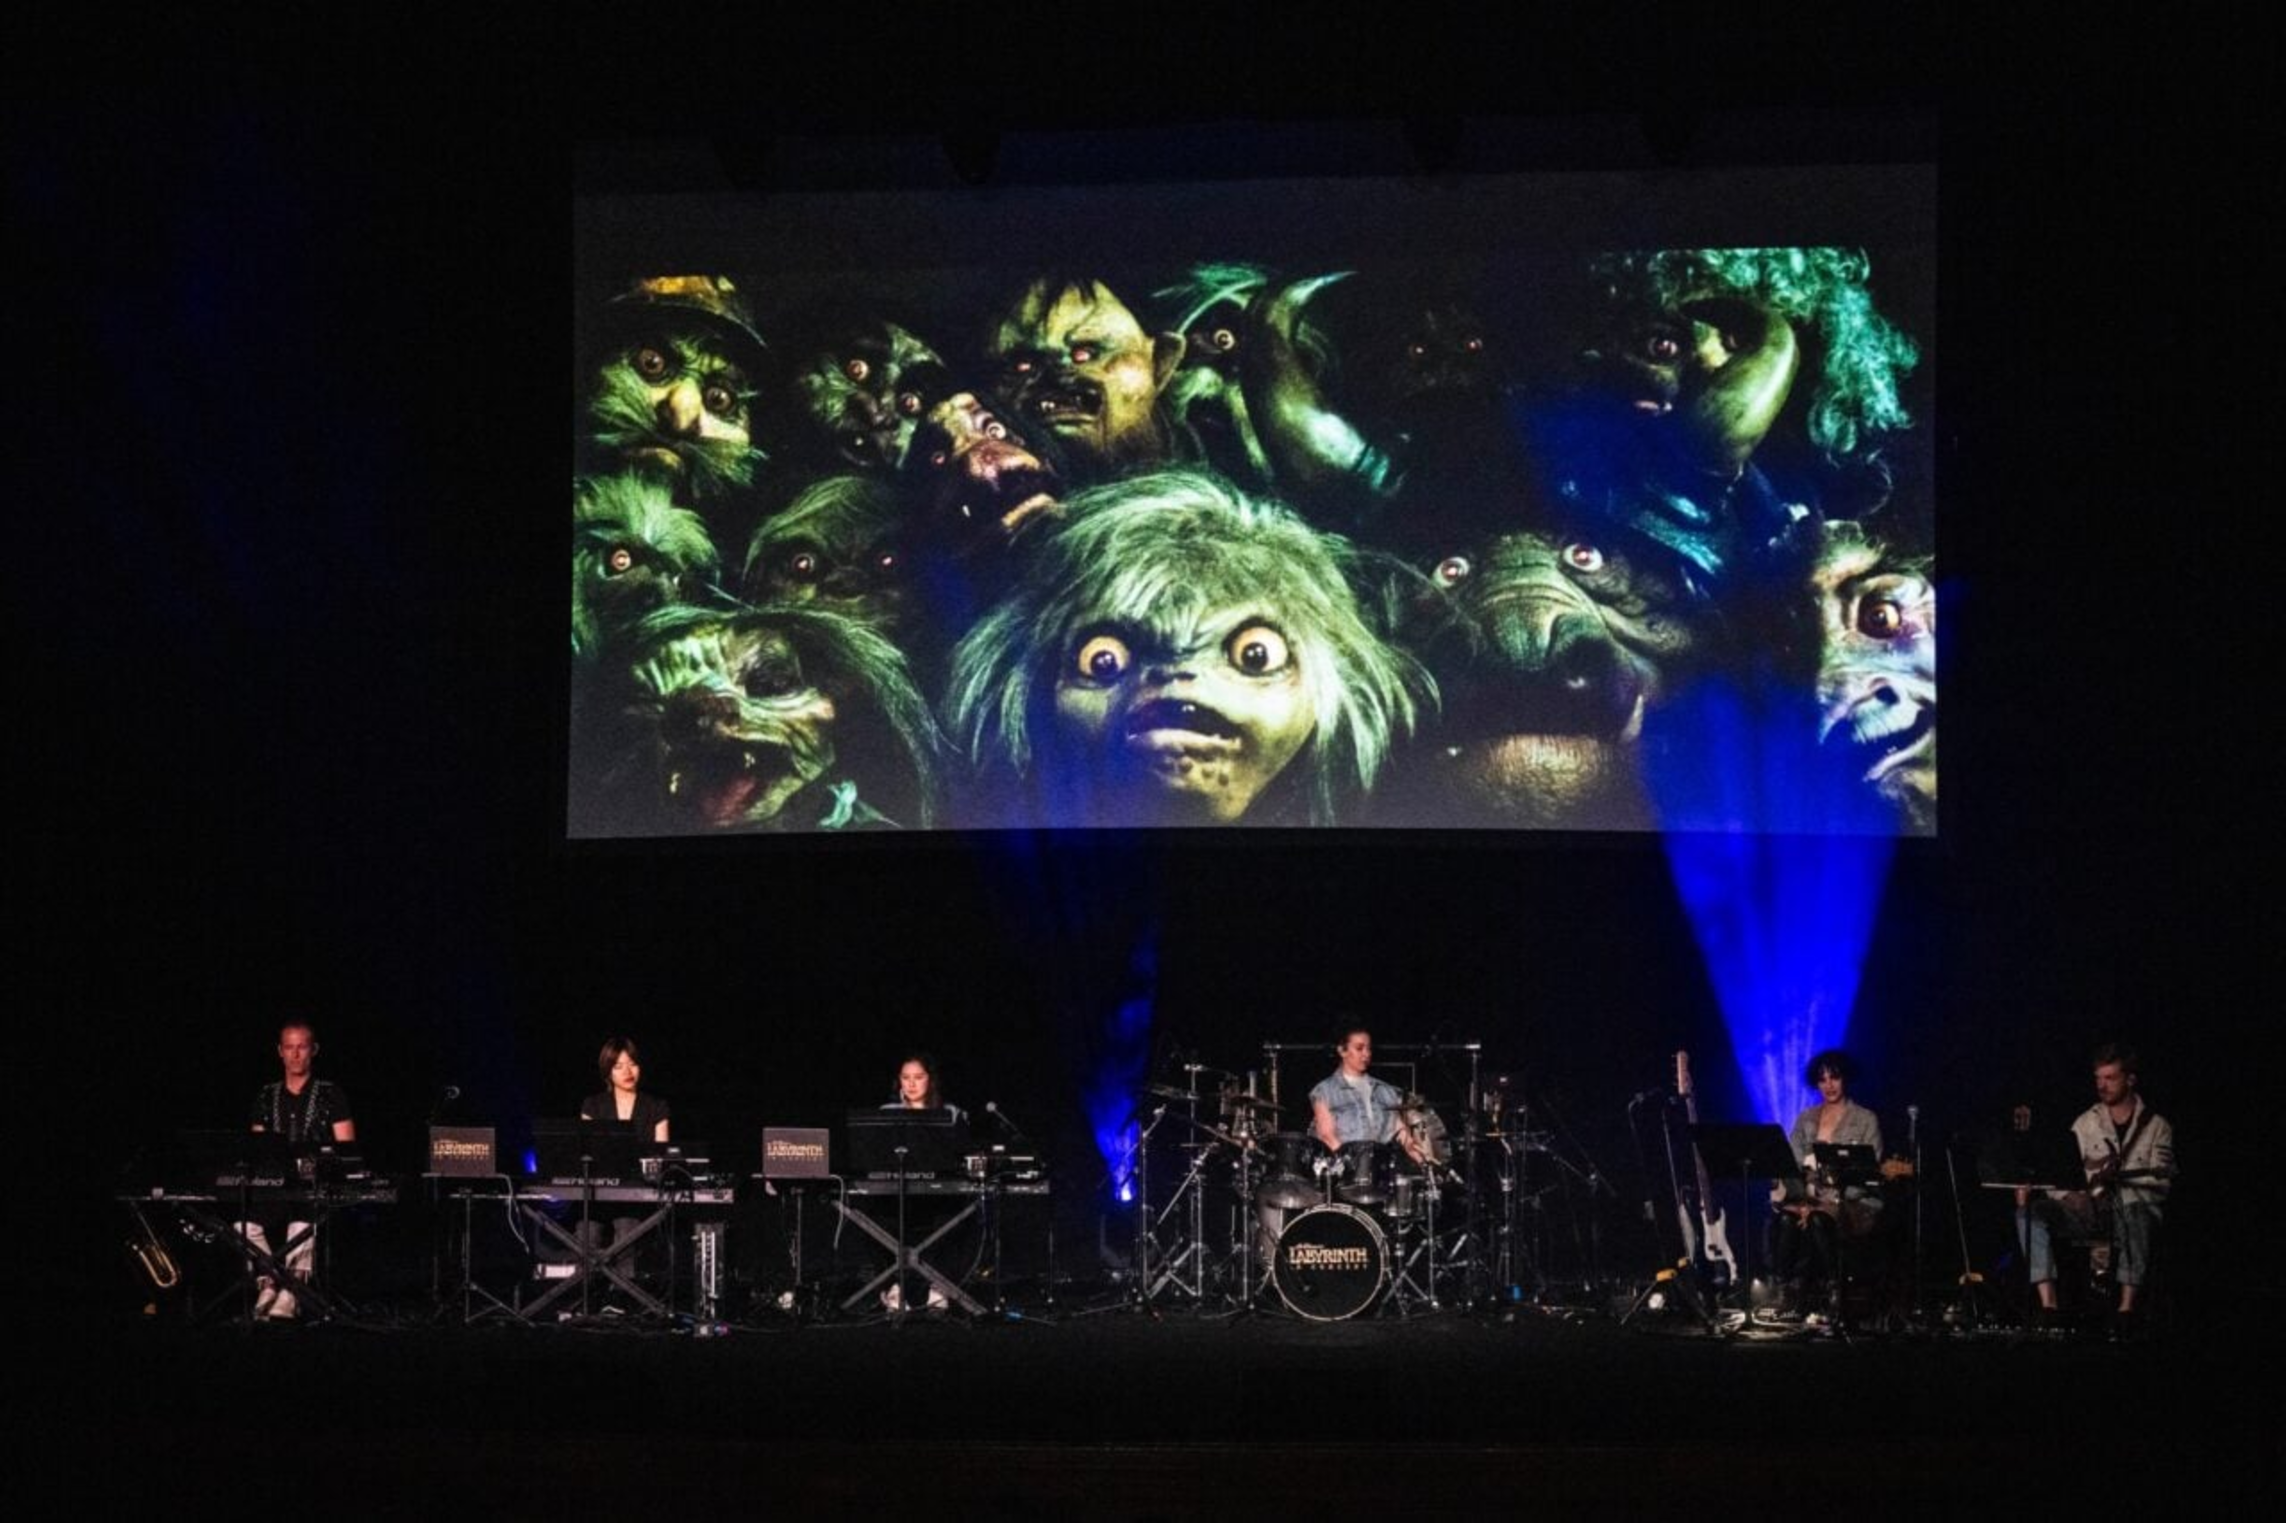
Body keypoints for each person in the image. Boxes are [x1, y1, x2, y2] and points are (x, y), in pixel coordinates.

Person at [2019, 1042, 2175, 1332]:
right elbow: (2061, 1173)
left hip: (2132, 1211)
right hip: (2090, 1211)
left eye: (2110, 1078)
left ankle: (2126, 1310)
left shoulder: (2157, 1127)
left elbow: (2161, 1184)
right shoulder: (2085, 1123)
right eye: (2098, 1078)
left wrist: (2120, 1187)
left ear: (2130, 1079)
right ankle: (2049, 1306)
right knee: (2030, 1213)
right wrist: (2070, 1197)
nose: (2102, 1085)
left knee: (2135, 1212)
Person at [242, 1021, 356, 1321]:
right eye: (289, 1047)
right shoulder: (266, 1096)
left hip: (313, 1186)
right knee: (243, 1226)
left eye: (302, 1047)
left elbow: (346, 1149)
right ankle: (269, 1283)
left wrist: (322, 1167)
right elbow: (257, 1147)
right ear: (280, 1051)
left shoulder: (331, 1094)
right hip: (275, 1185)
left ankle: (292, 1294)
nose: (295, 1054)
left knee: (302, 1223)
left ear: (313, 1050)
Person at [1768, 1049, 1884, 1320]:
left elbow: (1867, 1174)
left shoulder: (1865, 1119)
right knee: (1786, 1219)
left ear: (1846, 1079)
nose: (1829, 1085)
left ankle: (1835, 1291)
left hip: (1854, 1203)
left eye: (1835, 1077)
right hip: (1809, 1198)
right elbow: (1791, 1165)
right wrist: (1804, 1200)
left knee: (1819, 1219)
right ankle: (1787, 1292)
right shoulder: (1806, 1118)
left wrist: (1825, 1201)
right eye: (1822, 1079)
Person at [879, 1052, 959, 1310]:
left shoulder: (950, 1113)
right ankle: (895, 1285)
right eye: (906, 1078)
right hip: (896, 1192)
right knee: (867, 1215)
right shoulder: (886, 1113)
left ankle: (936, 1287)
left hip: (938, 1193)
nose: (911, 1084)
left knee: (959, 1215)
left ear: (930, 1080)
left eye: (918, 1077)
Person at [1309, 1026, 1430, 1167]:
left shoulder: (1386, 1090)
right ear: (1342, 1051)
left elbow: (1400, 1131)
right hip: (1346, 1170)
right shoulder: (1324, 1090)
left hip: (1381, 1169)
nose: (1366, 1054)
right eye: (1359, 1048)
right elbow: (1327, 1137)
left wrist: (1415, 1152)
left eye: (1369, 1049)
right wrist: (1353, 1165)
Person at [580, 1036, 671, 1143]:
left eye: (632, 1064)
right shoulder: (593, 1106)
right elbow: (589, 1149)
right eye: (618, 1067)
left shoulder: (657, 1107)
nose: (627, 1072)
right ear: (608, 1072)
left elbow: (661, 1151)